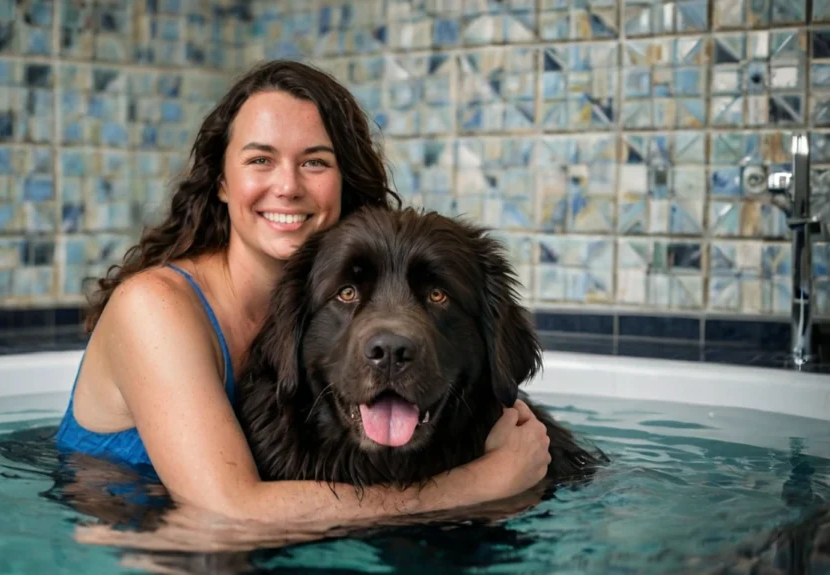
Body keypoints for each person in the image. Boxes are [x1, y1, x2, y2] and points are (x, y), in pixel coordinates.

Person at [55, 59, 552, 525]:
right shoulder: (155, 307)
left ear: (342, 181)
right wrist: (482, 483)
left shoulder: (324, 311)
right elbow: (229, 514)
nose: (287, 186)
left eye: (314, 162)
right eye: (260, 159)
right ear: (222, 181)